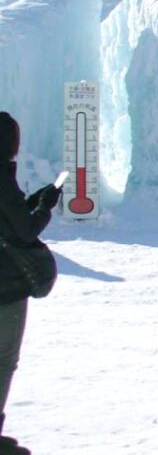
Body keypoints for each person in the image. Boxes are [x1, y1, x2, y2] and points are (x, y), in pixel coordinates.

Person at [0, 112, 61, 455]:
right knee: (4, 359)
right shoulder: (1, 177)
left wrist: (29, 204)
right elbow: (24, 231)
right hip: (5, 287)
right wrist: (45, 207)